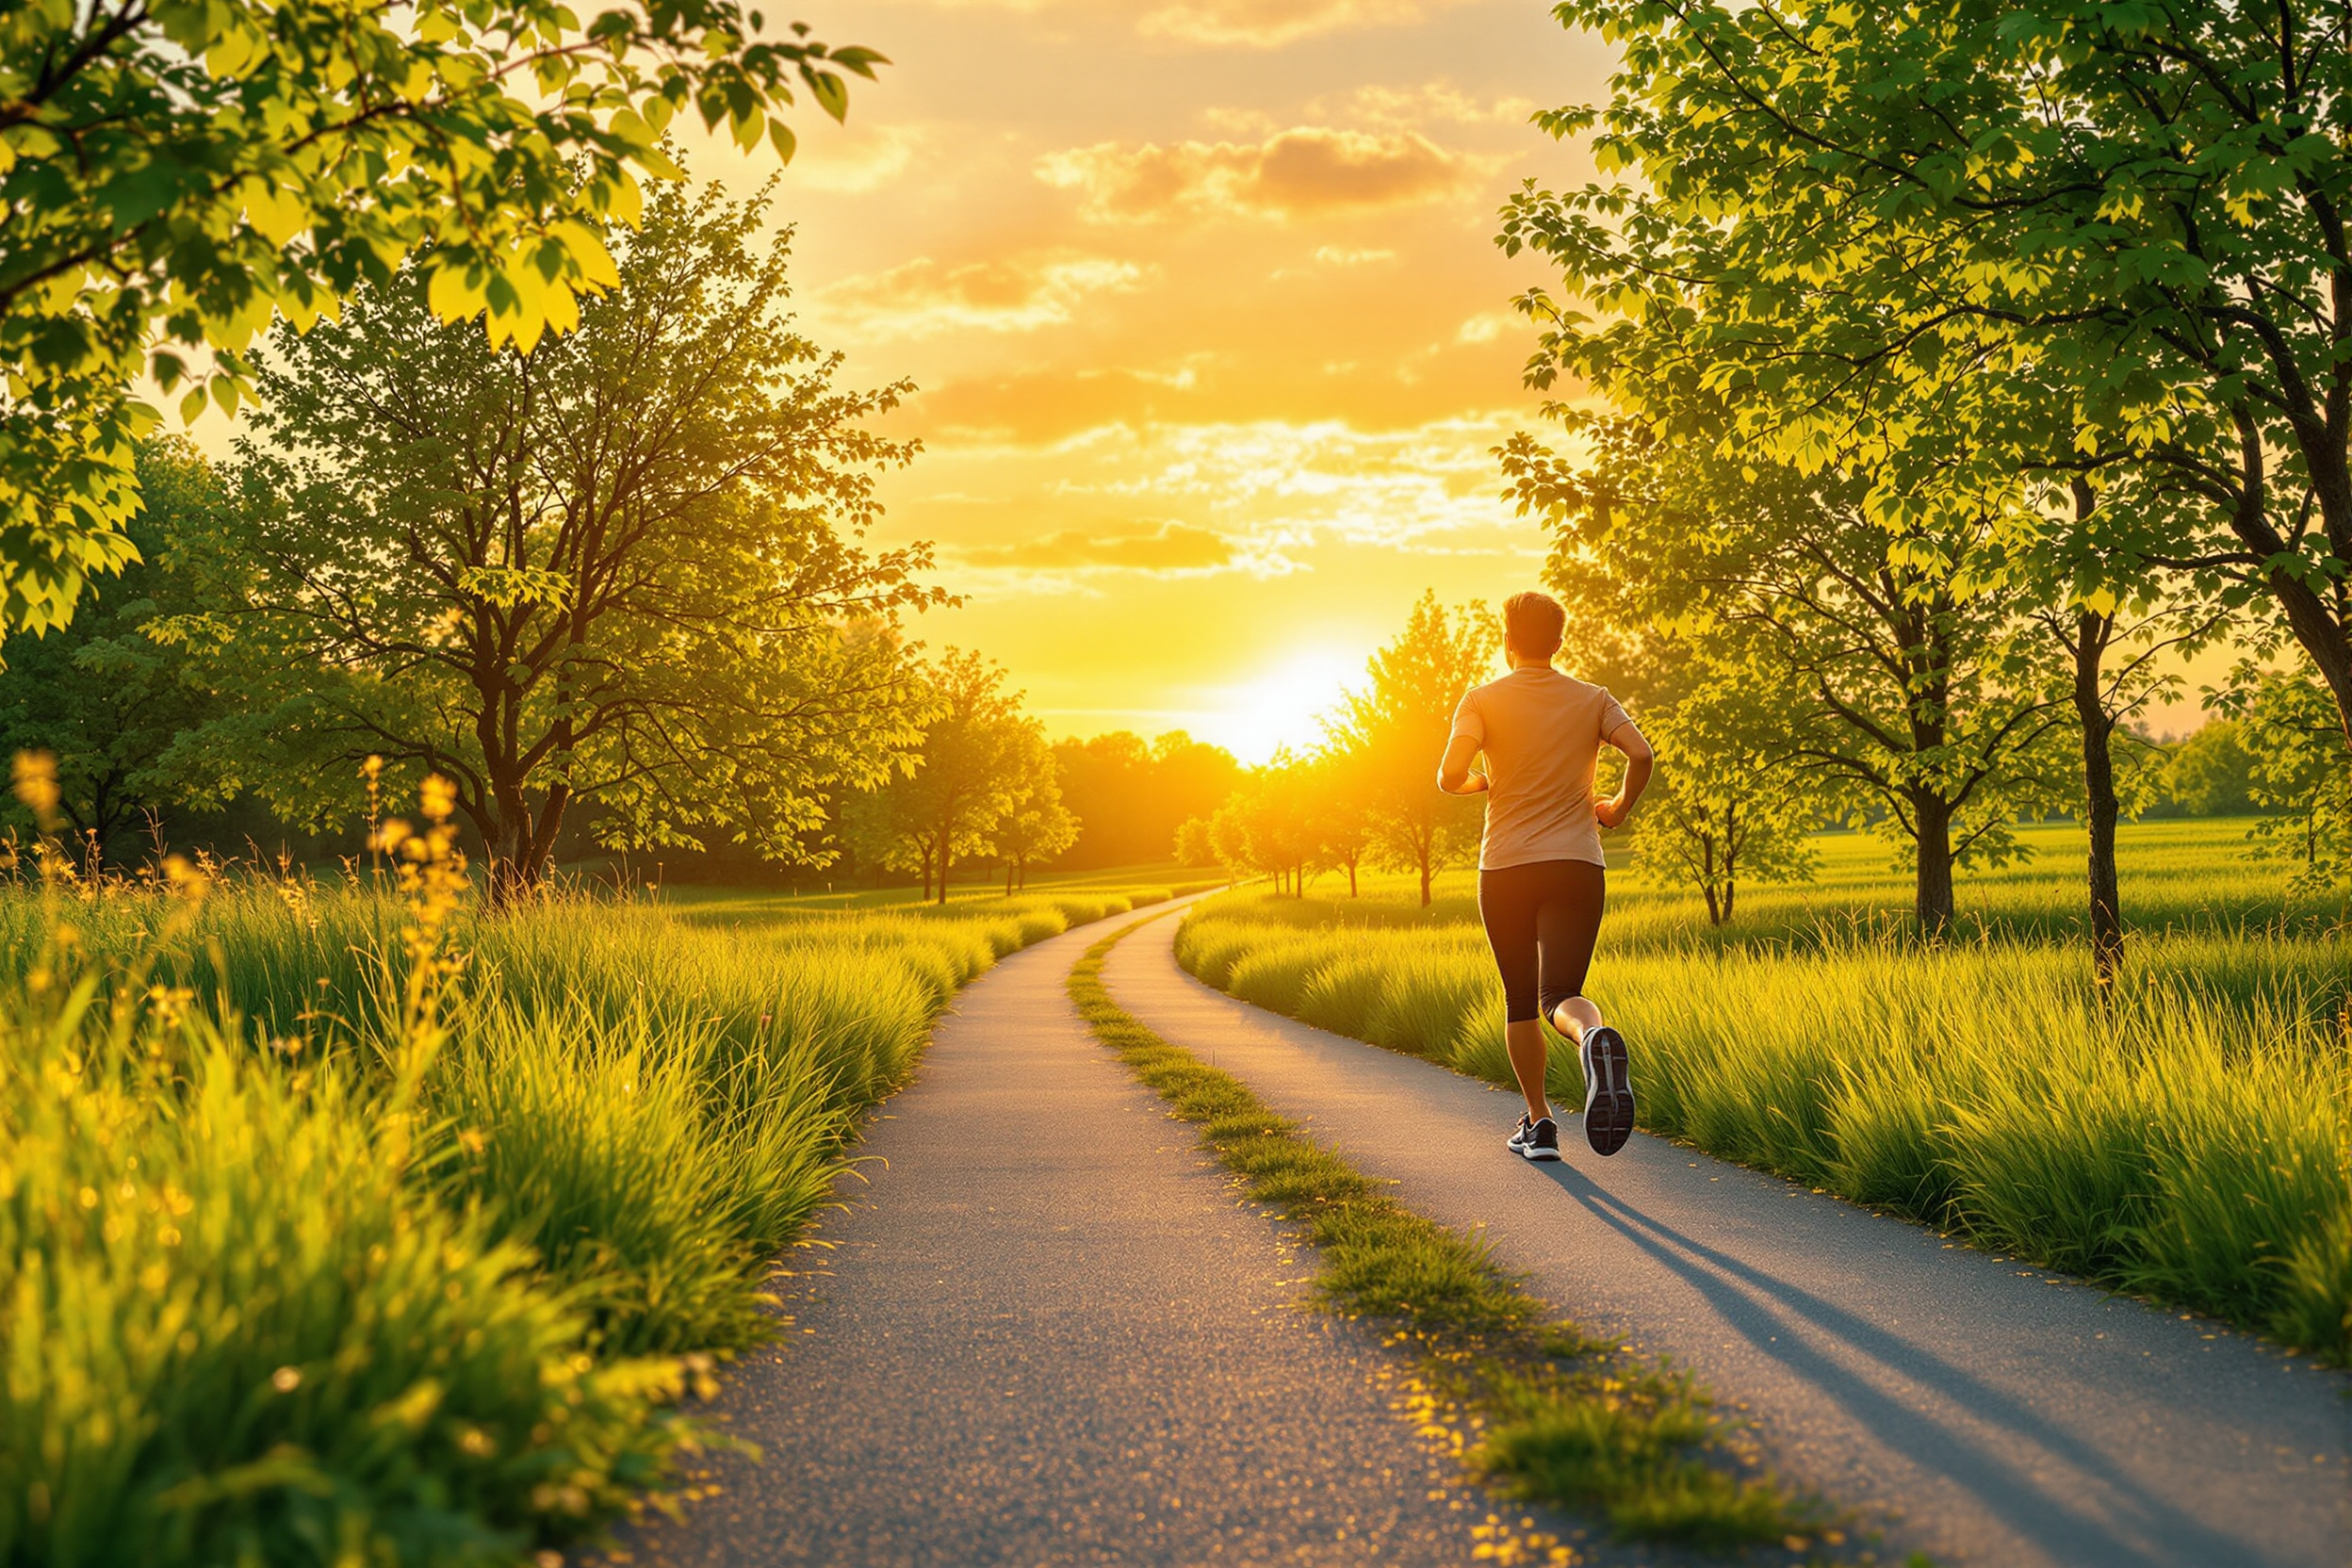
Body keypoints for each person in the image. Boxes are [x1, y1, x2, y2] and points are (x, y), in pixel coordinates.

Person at [1436, 591, 1653, 1161]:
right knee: (1561, 993)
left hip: (1506, 867)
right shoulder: (1594, 699)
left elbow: (1449, 775)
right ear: (1558, 642)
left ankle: (1540, 1125)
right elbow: (1643, 755)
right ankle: (1592, 1037)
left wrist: (1481, 783)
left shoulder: (1481, 700)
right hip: (1577, 863)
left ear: (1506, 640)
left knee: (1519, 1000)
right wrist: (1618, 808)